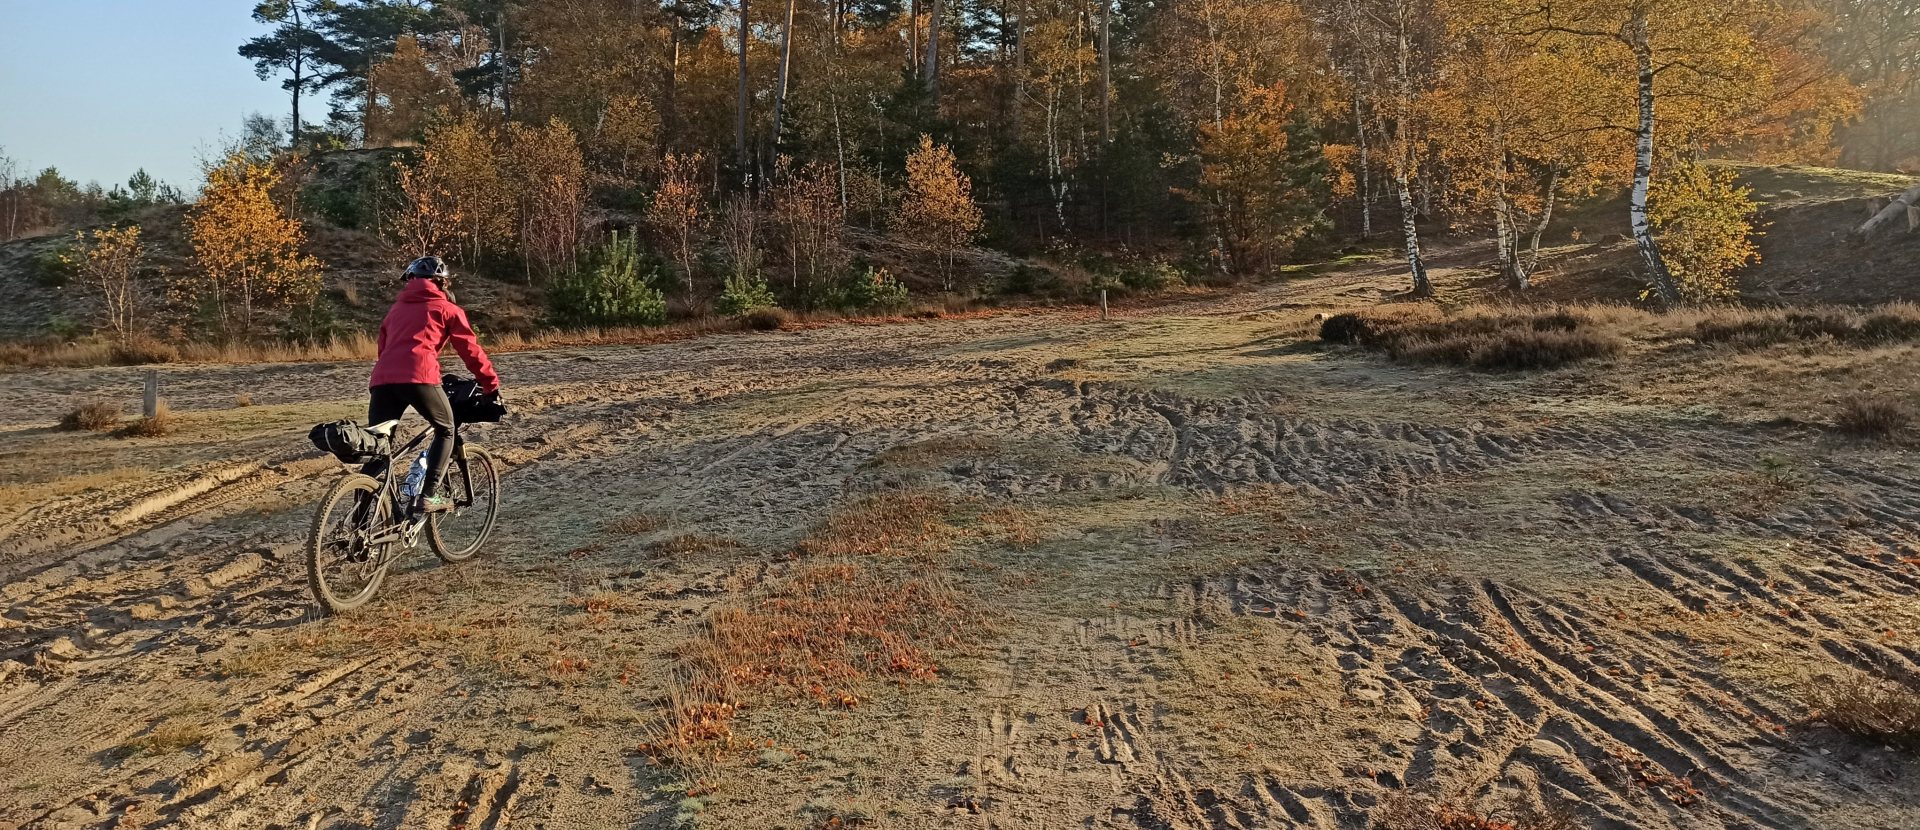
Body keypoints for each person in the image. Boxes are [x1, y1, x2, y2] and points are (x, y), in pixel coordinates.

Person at [368, 256, 500, 514]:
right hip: (420, 376)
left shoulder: (395, 310)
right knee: (446, 429)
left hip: (382, 380)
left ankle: (360, 523)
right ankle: (428, 496)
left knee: (379, 448)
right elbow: (470, 351)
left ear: (411, 281)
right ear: (441, 283)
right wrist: (489, 384)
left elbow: (383, 349)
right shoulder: (447, 309)